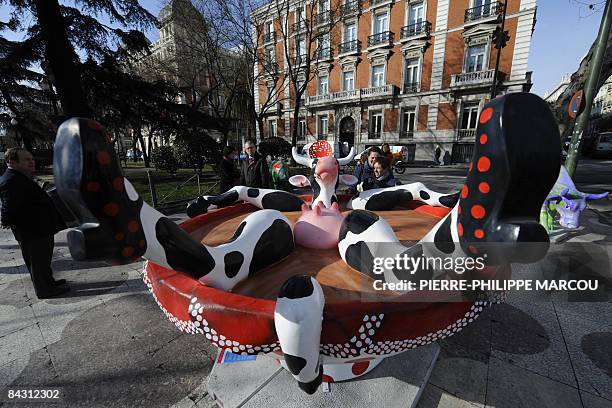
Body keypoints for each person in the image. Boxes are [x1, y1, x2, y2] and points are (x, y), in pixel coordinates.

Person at [0, 148, 69, 299]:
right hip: (32, 230)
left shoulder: (19, 176)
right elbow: (8, 205)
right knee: (37, 261)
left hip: (38, 227)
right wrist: (5, 220)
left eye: (31, 159)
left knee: (43, 260)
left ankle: (49, 282)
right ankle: (45, 290)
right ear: (12, 162)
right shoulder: (11, 179)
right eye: (26, 160)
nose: (31, 162)